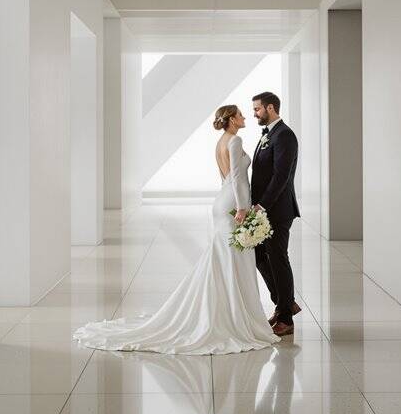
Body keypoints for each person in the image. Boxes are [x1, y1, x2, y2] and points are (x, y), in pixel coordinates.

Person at [72, 105, 281, 354]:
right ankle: (234, 317)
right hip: (234, 204)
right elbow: (236, 177)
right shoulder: (235, 141)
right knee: (233, 259)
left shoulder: (221, 141)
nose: (245, 117)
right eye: (241, 114)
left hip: (223, 200)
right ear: (232, 119)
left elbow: (225, 177)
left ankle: (227, 311)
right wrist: (242, 208)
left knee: (226, 259)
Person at [250, 92, 301, 336]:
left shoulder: (285, 135)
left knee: (278, 258)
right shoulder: (268, 135)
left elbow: (281, 176)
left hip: (278, 209)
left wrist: (262, 205)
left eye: (257, 109)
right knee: (260, 256)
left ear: (271, 108)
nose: (254, 113)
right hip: (263, 209)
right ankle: (284, 302)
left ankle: (286, 318)